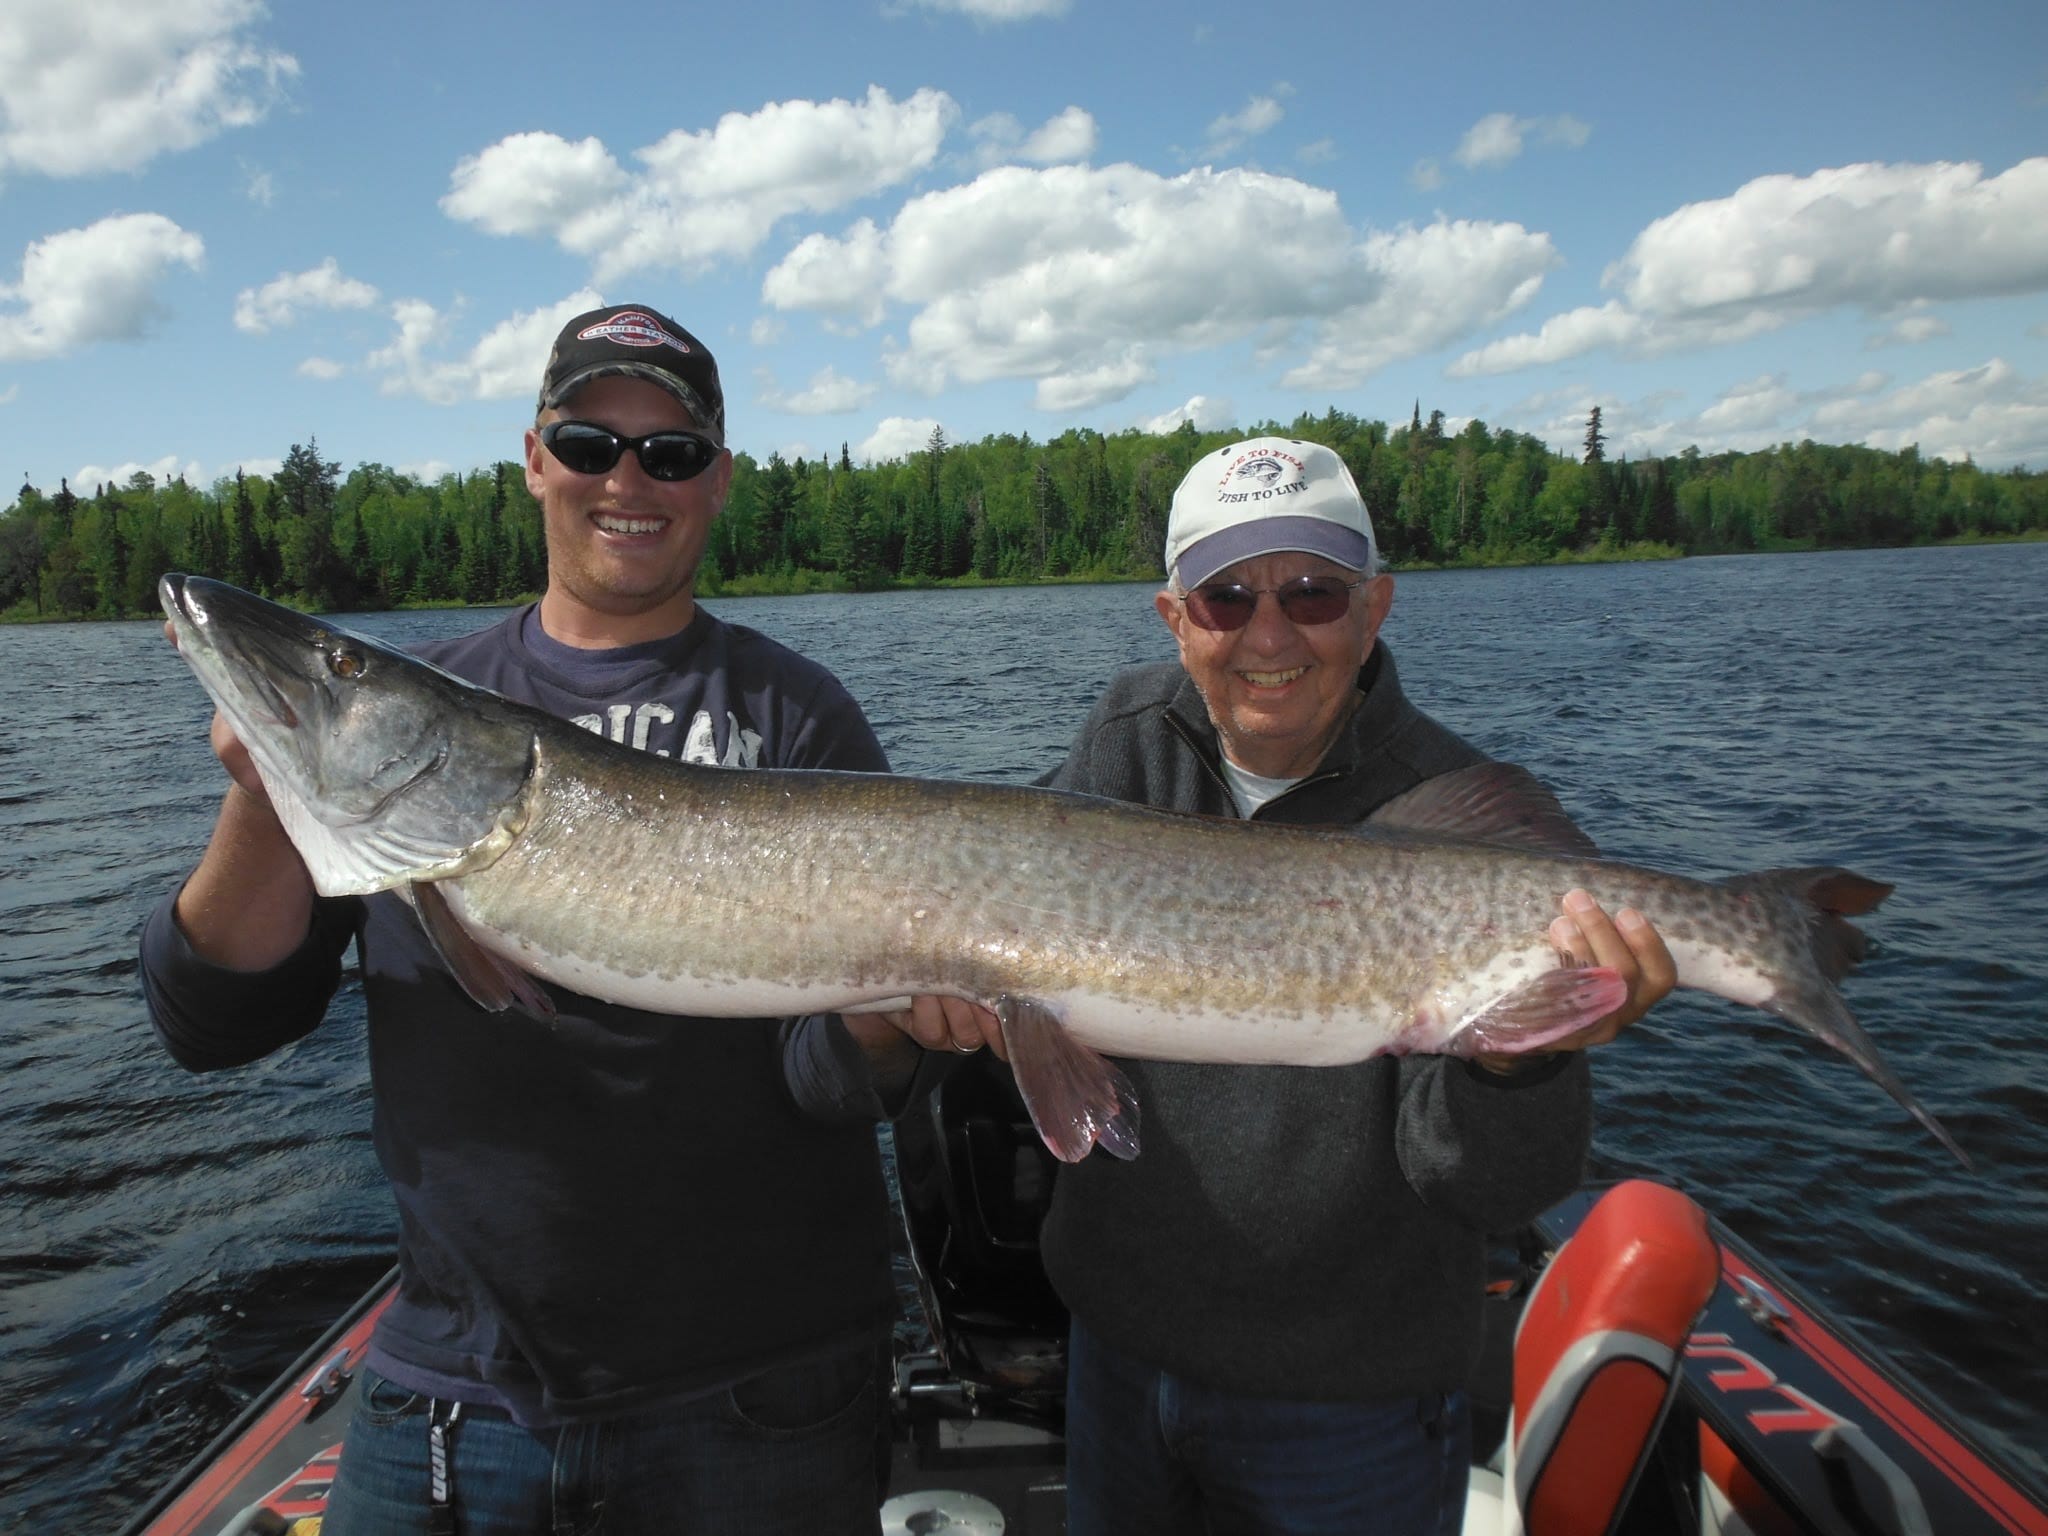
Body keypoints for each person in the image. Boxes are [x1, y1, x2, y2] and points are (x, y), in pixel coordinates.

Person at [140, 302, 987, 1536]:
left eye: (672, 452)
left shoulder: (794, 715)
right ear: (535, 460)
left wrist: (890, 1028)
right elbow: (211, 1022)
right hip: (449, 1392)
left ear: (716, 481)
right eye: (590, 444)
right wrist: (274, 787)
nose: (626, 480)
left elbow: (830, 1081)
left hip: (758, 1397)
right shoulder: (433, 714)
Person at [1026, 436, 1678, 1535]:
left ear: (1373, 606)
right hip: (1119, 1358)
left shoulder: (1448, 802)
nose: (1269, 633)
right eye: (1226, 598)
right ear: (1173, 617)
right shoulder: (1123, 747)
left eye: (1312, 592)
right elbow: (1012, 943)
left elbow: (1483, 1189)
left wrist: (1525, 1056)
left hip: (1349, 1397)